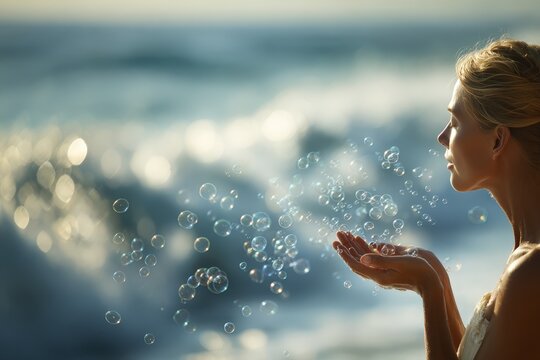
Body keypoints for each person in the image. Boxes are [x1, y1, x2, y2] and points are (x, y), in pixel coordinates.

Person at [333, 38, 540, 360]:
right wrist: (436, 279)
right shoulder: (527, 260)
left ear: (498, 139)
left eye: (456, 122)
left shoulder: (530, 273)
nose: (442, 136)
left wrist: (428, 289)